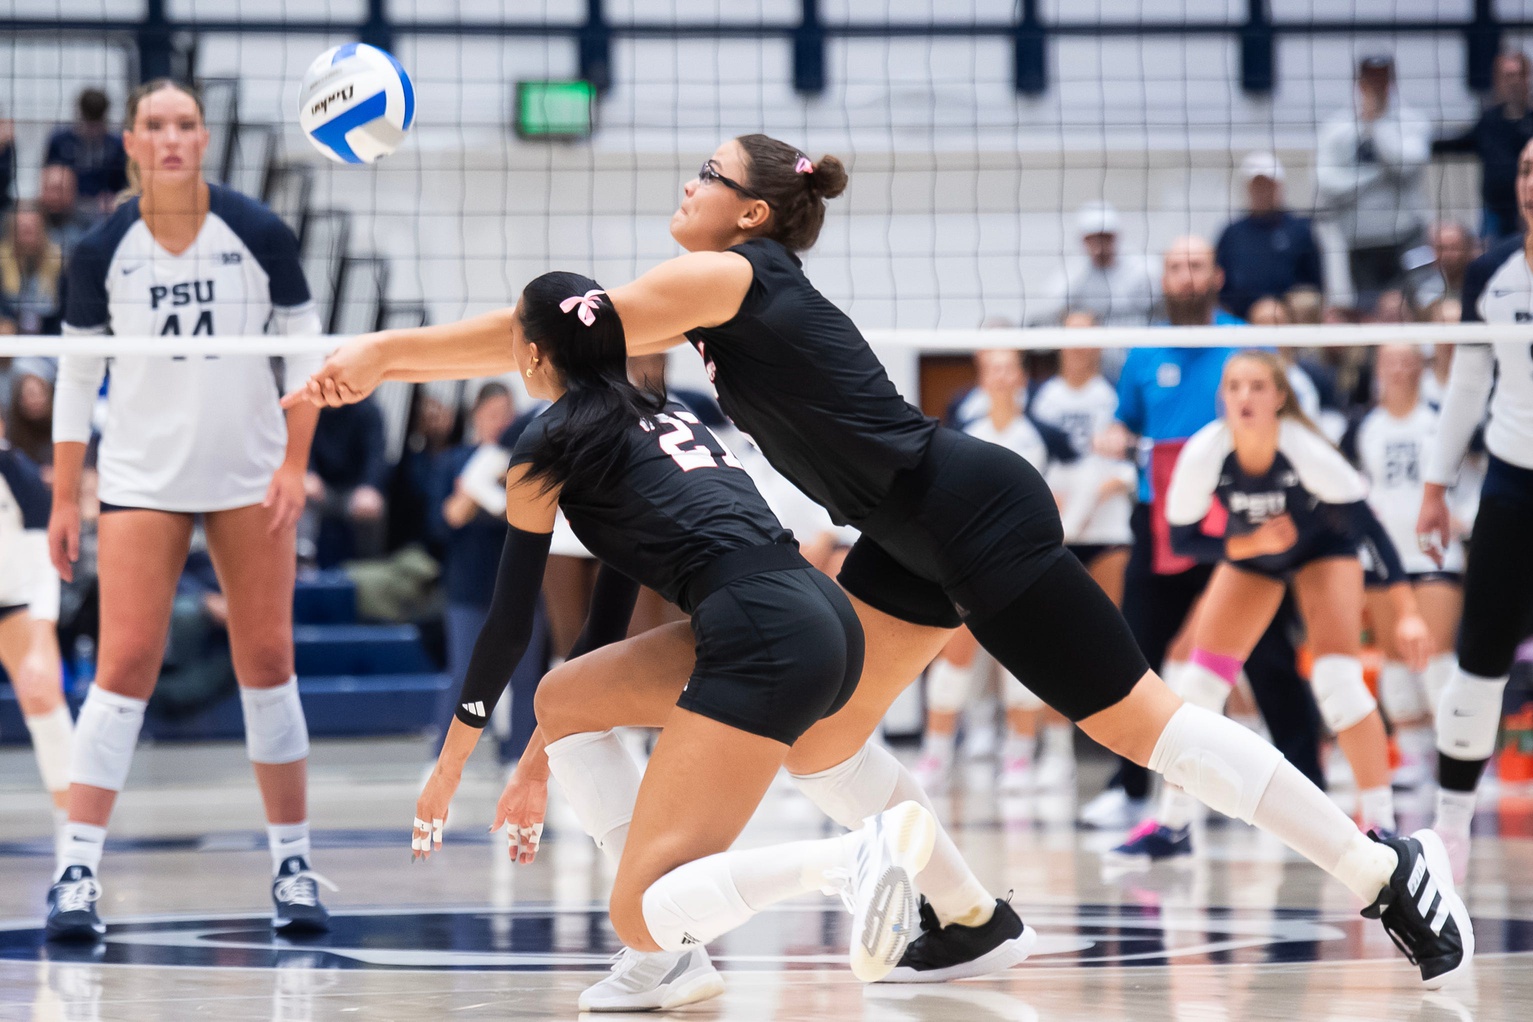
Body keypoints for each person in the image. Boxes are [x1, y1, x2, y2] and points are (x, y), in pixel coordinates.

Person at [295, 133, 1473, 989]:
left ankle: (1385, 867)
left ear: (752, 214)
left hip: (970, 512)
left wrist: (389, 354)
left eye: (708, 174)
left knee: (1146, 725)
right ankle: (969, 916)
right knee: (822, 734)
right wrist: (388, 358)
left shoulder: (727, 276)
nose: (688, 184)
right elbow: (565, 336)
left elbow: (561, 326)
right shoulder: (724, 291)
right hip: (908, 531)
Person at [412, 271, 937, 1010]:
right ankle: (669, 966)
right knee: (563, 695)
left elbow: (508, 622)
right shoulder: (661, 411)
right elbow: (601, 636)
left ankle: (849, 861)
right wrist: (534, 766)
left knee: (638, 911)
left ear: (530, 354)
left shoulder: (546, 442)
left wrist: (448, 769)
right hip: (816, 609)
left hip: (759, 629)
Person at [43, 80, 331, 942]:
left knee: (268, 660)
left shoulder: (258, 230)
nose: (171, 138)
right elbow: (75, 378)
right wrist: (64, 496)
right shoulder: (101, 249)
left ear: (204, 139)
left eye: (185, 125)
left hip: (249, 475)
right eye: (155, 126)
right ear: (130, 143)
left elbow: (308, 353)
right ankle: (75, 872)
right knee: (124, 663)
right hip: (141, 479)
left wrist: (295, 464)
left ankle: (293, 865)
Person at [1110, 351, 1432, 861]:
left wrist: (1408, 612)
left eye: (1258, 386)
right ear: (1223, 398)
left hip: (1323, 553)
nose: (1245, 396)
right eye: (1235, 386)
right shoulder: (1206, 452)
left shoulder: (1306, 450)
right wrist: (1248, 544)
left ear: (1280, 397)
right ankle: (1173, 826)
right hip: (1255, 555)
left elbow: (1370, 531)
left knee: (1338, 684)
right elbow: (1182, 539)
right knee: (1196, 687)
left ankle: (1383, 825)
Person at [1083, 238, 1324, 830]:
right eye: (1175, 267)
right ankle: (1130, 788)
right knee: (1132, 657)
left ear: (1216, 276)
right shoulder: (1144, 352)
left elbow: (1285, 420)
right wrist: (1114, 436)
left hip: (1240, 517)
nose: (1185, 276)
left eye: (1195, 266)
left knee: (1267, 655)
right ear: (1164, 279)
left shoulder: (1248, 344)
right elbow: (1126, 422)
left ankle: (1311, 787)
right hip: (1162, 520)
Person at [1416, 136, 1533, 884]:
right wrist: (1435, 486)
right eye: (1525, 170)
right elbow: (1466, 383)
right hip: (1512, 483)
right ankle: (1450, 829)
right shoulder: (1491, 272)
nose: (1531, 183)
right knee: (1480, 655)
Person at [912, 348, 1078, 795]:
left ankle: (1019, 755)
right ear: (982, 379)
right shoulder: (964, 435)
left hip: (1025, 566)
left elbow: (1061, 503)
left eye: (1009, 368)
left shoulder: (1043, 437)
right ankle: (935, 754)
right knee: (953, 660)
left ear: (1021, 377)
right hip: (968, 564)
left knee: (1023, 663)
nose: (1001, 376)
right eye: (993, 369)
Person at [1343, 345, 1465, 790]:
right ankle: (1414, 759)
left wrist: (1466, 516)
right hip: (1382, 551)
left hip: (1433, 550)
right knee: (1394, 658)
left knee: (1436, 656)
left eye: (1407, 359)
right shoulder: (1364, 427)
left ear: (1421, 365)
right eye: (1389, 360)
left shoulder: (1441, 417)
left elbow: (1473, 470)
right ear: (1377, 368)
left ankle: (1455, 757)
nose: (1398, 368)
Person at [1315, 54, 1432, 312]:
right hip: (1359, 243)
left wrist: (1376, 125)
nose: (1377, 86)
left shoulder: (1412, 121)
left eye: (1382, 79)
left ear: (1392, 82)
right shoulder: (1337, 127)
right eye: (1370, 79)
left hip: (1408, 237)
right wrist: (1376, 176)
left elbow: (1407, 166)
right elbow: (1327, 182)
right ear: (1359, 83)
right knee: (1368, 314)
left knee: (1420, 306)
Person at [0, 428, 71, 832]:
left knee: (43, 695)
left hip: (14, 600)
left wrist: (42, 644)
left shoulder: (17, 472)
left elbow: (46, 562)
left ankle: (72, 828)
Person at [1434, 50, 1533, 241]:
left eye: (1518, 75)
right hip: (1493, 212)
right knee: (1489, 258)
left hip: (1527, 211)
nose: (1513, 82)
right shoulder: (1489, 121)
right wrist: (1419, 140)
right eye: (1507, 76)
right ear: (1498, 80)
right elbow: (1460, 143)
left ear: (1527, 79)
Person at [1215, 153, 1324, 320]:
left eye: (1268, 184)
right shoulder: (1231, 234)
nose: (1262, 191)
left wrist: (1281, 309)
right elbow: (1219, 283)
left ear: (1278, 187)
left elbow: (1315, 285)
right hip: (1239, 319)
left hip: (1289, 319)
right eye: (1257, 185)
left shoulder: (1300, 230)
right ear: (1248, 188)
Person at [1027, 200, 1158, 329]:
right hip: (1095, 341)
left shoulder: (1144, 270)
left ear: (1115, 237)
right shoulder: (1074, 273)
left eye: (1105, 237)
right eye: (1093, 238)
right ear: (1084, 240)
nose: (1100, 245)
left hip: (1140, 339)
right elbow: (1049, 306)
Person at [301, 398, 388, 565]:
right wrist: (309, 472)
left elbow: (376, 456)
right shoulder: (310, 407)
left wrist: (370, 486)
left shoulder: (368, 411)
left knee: (372, 508)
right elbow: (301, 445)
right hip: (321, 488)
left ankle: (367, 569)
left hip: (354, 491)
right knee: (299, 495)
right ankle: (302, 560)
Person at [44, 88, 129, 215]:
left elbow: (125, 184)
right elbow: (48, 177)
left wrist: (115, 198)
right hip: (66, 210)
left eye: (96, 123)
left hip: (106, 210)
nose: (92, 129)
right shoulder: (60, 141)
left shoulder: (117, 145)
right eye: (88, 122)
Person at [1, 201, 64, 336]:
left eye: (32, 228)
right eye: (22, 229)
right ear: (12, 232)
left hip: (51, 339)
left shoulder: (60, 263)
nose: (27, 235)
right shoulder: (2, 264)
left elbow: (64, 316)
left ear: (43, 230)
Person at [38, 165, 94, 264]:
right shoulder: (27, 223)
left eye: (60, 190)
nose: (54, 197)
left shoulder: (90, 227)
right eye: (50, 189)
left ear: (73, 191)